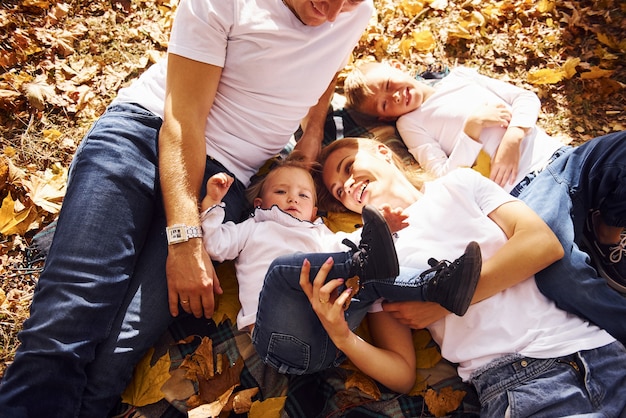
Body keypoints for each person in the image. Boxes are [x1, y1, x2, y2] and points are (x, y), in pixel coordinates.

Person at [0, 0, 376, 416]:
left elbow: (328, 61)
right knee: (66, 328)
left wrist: (313, 131)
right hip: (145, 137)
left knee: (114, 357)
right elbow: (182, 120)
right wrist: (184, 239)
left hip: (224, 180)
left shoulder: (353, 13)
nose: (333, 12)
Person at [252, 134, 626, 415]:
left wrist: (442, 305)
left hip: (597, 348)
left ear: (382, 151)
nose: (348, 184)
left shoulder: (459, 184)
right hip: (520, 382)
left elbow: (542, 244)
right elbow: (402, 374)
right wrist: (343, 337)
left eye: (349, 168)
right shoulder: (370, 250)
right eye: (339, 189)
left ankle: (440, 286)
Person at [343, 61, 626, 292]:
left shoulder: (460, 76)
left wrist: (513, 137)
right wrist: (471, 130)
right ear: (384, 119)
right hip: (527, 189)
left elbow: (524, 98)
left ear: (396, 66)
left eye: (389, 85)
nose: (394, 96)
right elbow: (444, 175)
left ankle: (606, 230)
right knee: (559, 271)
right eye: (384, 104)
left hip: (561, 156)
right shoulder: (411, 123)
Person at [200, 153, 482, 332]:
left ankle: (434, 286)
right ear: (260, 203)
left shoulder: (318, 236)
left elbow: (348, 243)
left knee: (365, 270)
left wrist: (381, 228)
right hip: (274, 326)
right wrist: (213, 203)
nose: (292, 199)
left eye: (303, 195)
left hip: (325, 330)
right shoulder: (253, 228)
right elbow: (214, 245)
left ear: (314, 212)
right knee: (289, 268)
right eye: (281, 191)